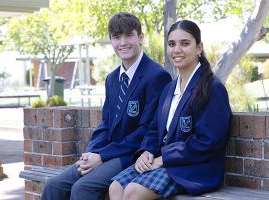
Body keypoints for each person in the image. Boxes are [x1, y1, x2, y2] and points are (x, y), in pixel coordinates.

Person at [41, 12, 171, 200]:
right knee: (54, 186)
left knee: (83, 188)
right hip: (108, 153)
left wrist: (101, 156)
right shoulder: (112, 79)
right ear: (111, 41)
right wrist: (91, 153)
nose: (123, 42)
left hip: (132, 155)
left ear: (140, 37)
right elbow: (105, 124)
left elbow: (146, 131)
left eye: (128, 35)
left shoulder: (157, 76)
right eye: (116, 37)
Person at [109, 19, 232, 200]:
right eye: (172, 44)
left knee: (132, 192)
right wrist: (147, 152)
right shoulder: (169, 89)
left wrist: (163, 158)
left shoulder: (212, 88)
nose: (177, 50)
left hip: (194, 168)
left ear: (199, 48)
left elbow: (209, 141)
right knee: (116, 187)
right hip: (165, 162)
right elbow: (154, 129)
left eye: (185, 43)